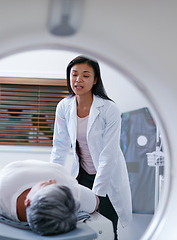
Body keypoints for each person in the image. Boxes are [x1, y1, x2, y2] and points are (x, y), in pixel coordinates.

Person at [50, 55, 132, 239]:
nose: (78, 79)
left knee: (107, 230)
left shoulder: (109, 109)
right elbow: (59, 147)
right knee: (80, 228)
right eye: (74, 74)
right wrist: (52, 178)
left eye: (86, 75)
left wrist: (97, 194)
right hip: (81, 175)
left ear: (95, 80)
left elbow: (108, 155)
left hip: (107, 178)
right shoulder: (64, 106)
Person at [0, 159, 99, 236]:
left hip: (10, 172)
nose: (51, 180)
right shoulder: (73, 192)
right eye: (53, 185)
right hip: (54, 168)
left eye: (46, 184)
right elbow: (96, 202)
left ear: (27, 201)